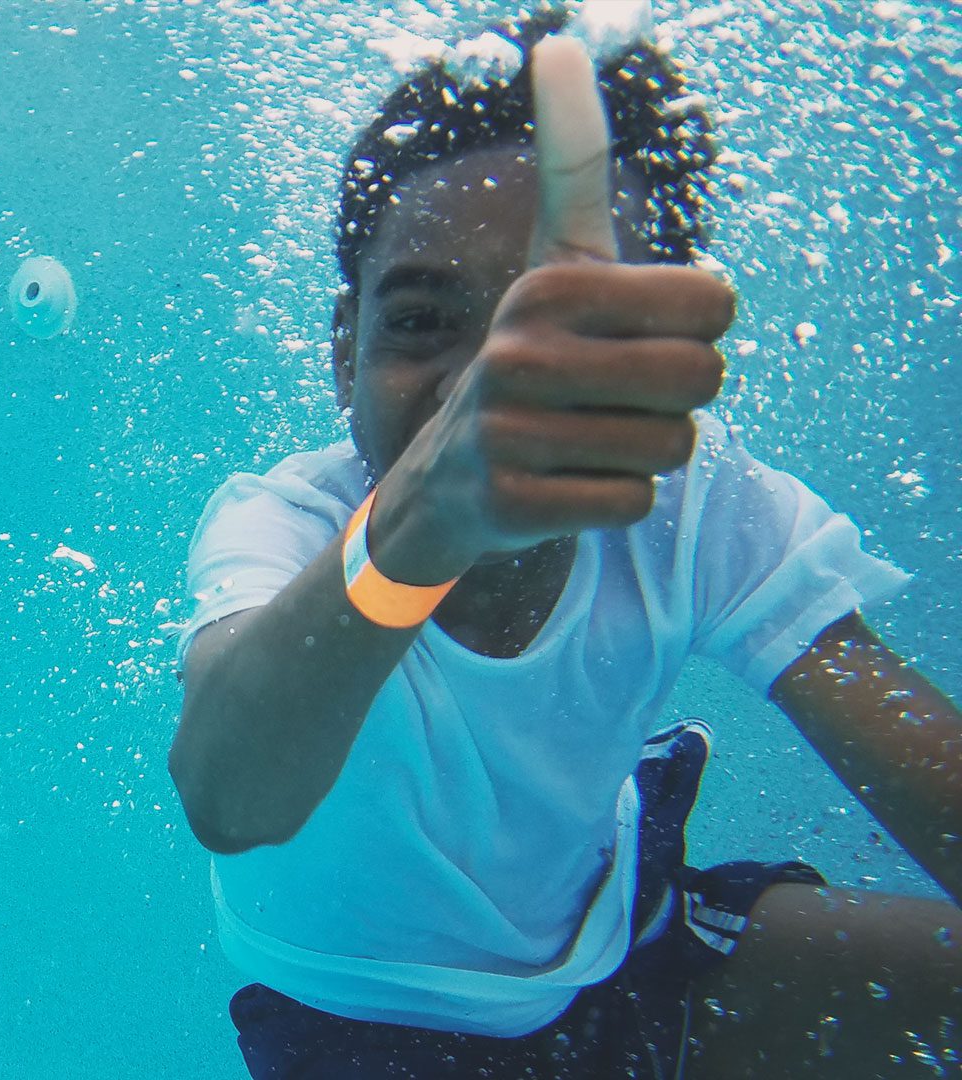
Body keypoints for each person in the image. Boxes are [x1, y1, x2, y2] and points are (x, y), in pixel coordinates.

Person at [168, 9, 961, 1078]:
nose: (491, 383)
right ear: (341, 348)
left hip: (629, 941)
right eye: (419, 319)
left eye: (563, 328)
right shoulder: (286, 522)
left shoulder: (692, 495)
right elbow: (232, 794)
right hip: (365, 1036)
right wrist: (420, 528)